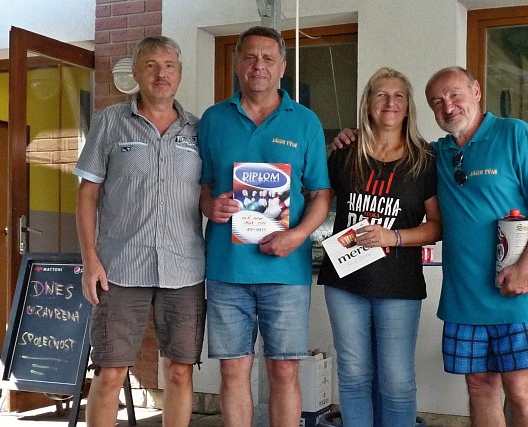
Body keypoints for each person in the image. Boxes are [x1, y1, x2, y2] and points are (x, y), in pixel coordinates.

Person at [335, 66, 528, 427]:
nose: (448, 106)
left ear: (476, 91)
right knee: (479, 386)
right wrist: (349, 134)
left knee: (521, 389)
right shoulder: (435, 154)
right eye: (437, 101)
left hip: (515, 291)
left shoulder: (514, 134)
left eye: (455, 94)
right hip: (463, 297)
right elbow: (388, 147)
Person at [198, 26, 331, 427]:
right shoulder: (213, 119)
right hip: (226, 268)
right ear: (237, 63)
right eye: (250, 57)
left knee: (284, 370)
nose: (259, 65)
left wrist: (297, 236)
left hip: (286, 270)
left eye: (268, 58)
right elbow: (203, 188)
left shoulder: (305, 122)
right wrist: (210, 206)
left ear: (282, 67)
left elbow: (321, 194)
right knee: (233, 370)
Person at [74, 36, 205, 427]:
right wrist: (90, 260)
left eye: (169, 65)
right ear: (135, 73)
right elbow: (87, 194)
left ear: (180, 73)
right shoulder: (110, 122)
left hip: (184, 269)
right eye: (151, 65)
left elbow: (209, 192)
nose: (161, 74)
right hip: (119, 269)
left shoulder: (198, 130)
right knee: (111, 372)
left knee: (179, 371)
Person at [318, 67, 441, 427]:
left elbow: (437, 227)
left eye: (398, 95)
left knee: (396, 380)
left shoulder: (424, 159)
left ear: (408, 106)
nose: (390, 102)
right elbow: (316, 201)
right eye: (381, 95)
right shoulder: (346, 151)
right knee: (353, 375)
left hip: (399, 283)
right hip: (345, 282)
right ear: (368, 103)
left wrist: (394, 237)